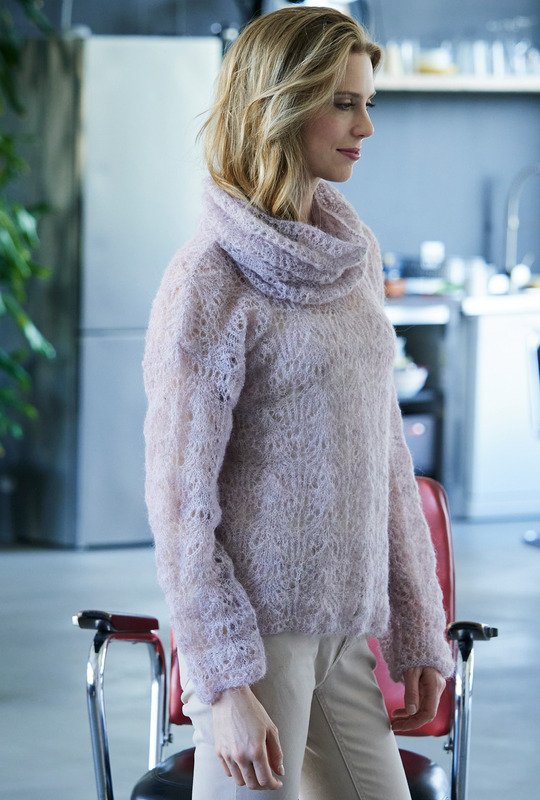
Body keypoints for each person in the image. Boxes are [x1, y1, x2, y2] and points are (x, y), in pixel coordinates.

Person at [142, 6, 455, 799]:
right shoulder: (209, 278)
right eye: (343, 104)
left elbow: (386, 452)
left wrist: (418, 627)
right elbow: (180, 503)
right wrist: (225, 685)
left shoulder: (354, 254)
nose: (365, 127)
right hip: (255, 646)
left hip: (347, 631)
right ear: (281, 106)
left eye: (367, 103)